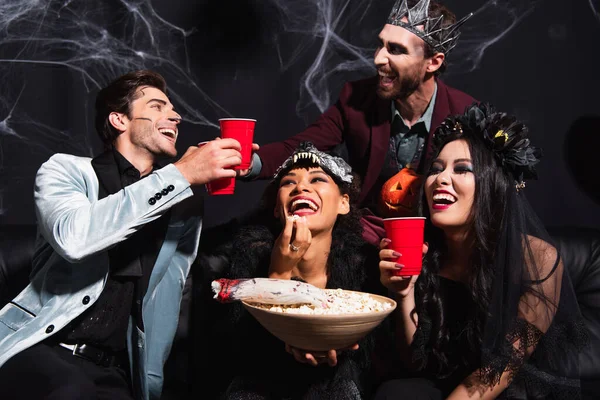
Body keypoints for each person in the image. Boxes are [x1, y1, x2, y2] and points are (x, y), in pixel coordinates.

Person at [0, 69, 246, 400]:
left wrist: (247, 165)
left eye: (173, 110)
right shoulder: (66, 170)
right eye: (158, 106)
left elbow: (170, 287)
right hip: (44, 348)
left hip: (115, 373)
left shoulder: (180, 202)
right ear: (119, 120)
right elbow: (75, 238)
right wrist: (182, 173)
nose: (174, 115)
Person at [375, 103, 588, 399]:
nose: (440, 179)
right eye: (436, 170)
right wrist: (403, 292)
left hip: (506, 387)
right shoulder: (423, 250)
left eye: (462, 169)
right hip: (442, 384)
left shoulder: (539, 258)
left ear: (493, 185)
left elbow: (501, 368)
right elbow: (416, 362)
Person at [244, 0, 476, 245]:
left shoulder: (465, 113)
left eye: (396, 50)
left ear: (434, 62)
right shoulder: (357, 99)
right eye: (380, 45)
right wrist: (249, 162)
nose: (378, 59)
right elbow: (302, 147)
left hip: (437, 242)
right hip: (364, 237)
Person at [196, 142, 386, 399]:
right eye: (288, 182)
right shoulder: (252, 250)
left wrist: (335, 346)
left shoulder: (361, 260)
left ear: (344, 203)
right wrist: (279, 272)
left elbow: (368, 351)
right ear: (277, 208)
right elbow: (237, 346)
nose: (301, 187)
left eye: (317, 179)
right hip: (262, 377)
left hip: (334, 378)